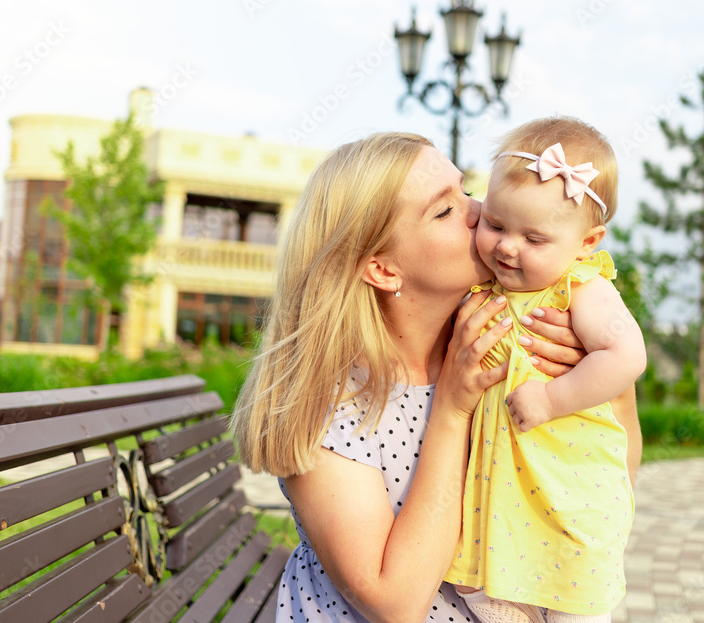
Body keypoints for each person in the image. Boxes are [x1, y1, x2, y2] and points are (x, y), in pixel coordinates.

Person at [234, 131, 642, 623]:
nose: (479, 211)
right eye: (445, 210)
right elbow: (394, 604)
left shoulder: (501, 339)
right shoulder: (329, 403)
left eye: (466, 190)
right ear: (383, 269)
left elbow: (610, 476)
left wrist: (602, 380)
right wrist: (450, 411)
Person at [444, 117, 647, 623]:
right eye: (495, 225)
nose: (507, 247)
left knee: (573, 599)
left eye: (534, 238)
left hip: (572, 496)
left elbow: (627, 355)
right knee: (476, 582)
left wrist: (552, 398)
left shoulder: (581, 289)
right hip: (503, 499)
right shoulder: (484, 288)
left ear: (587, 242)